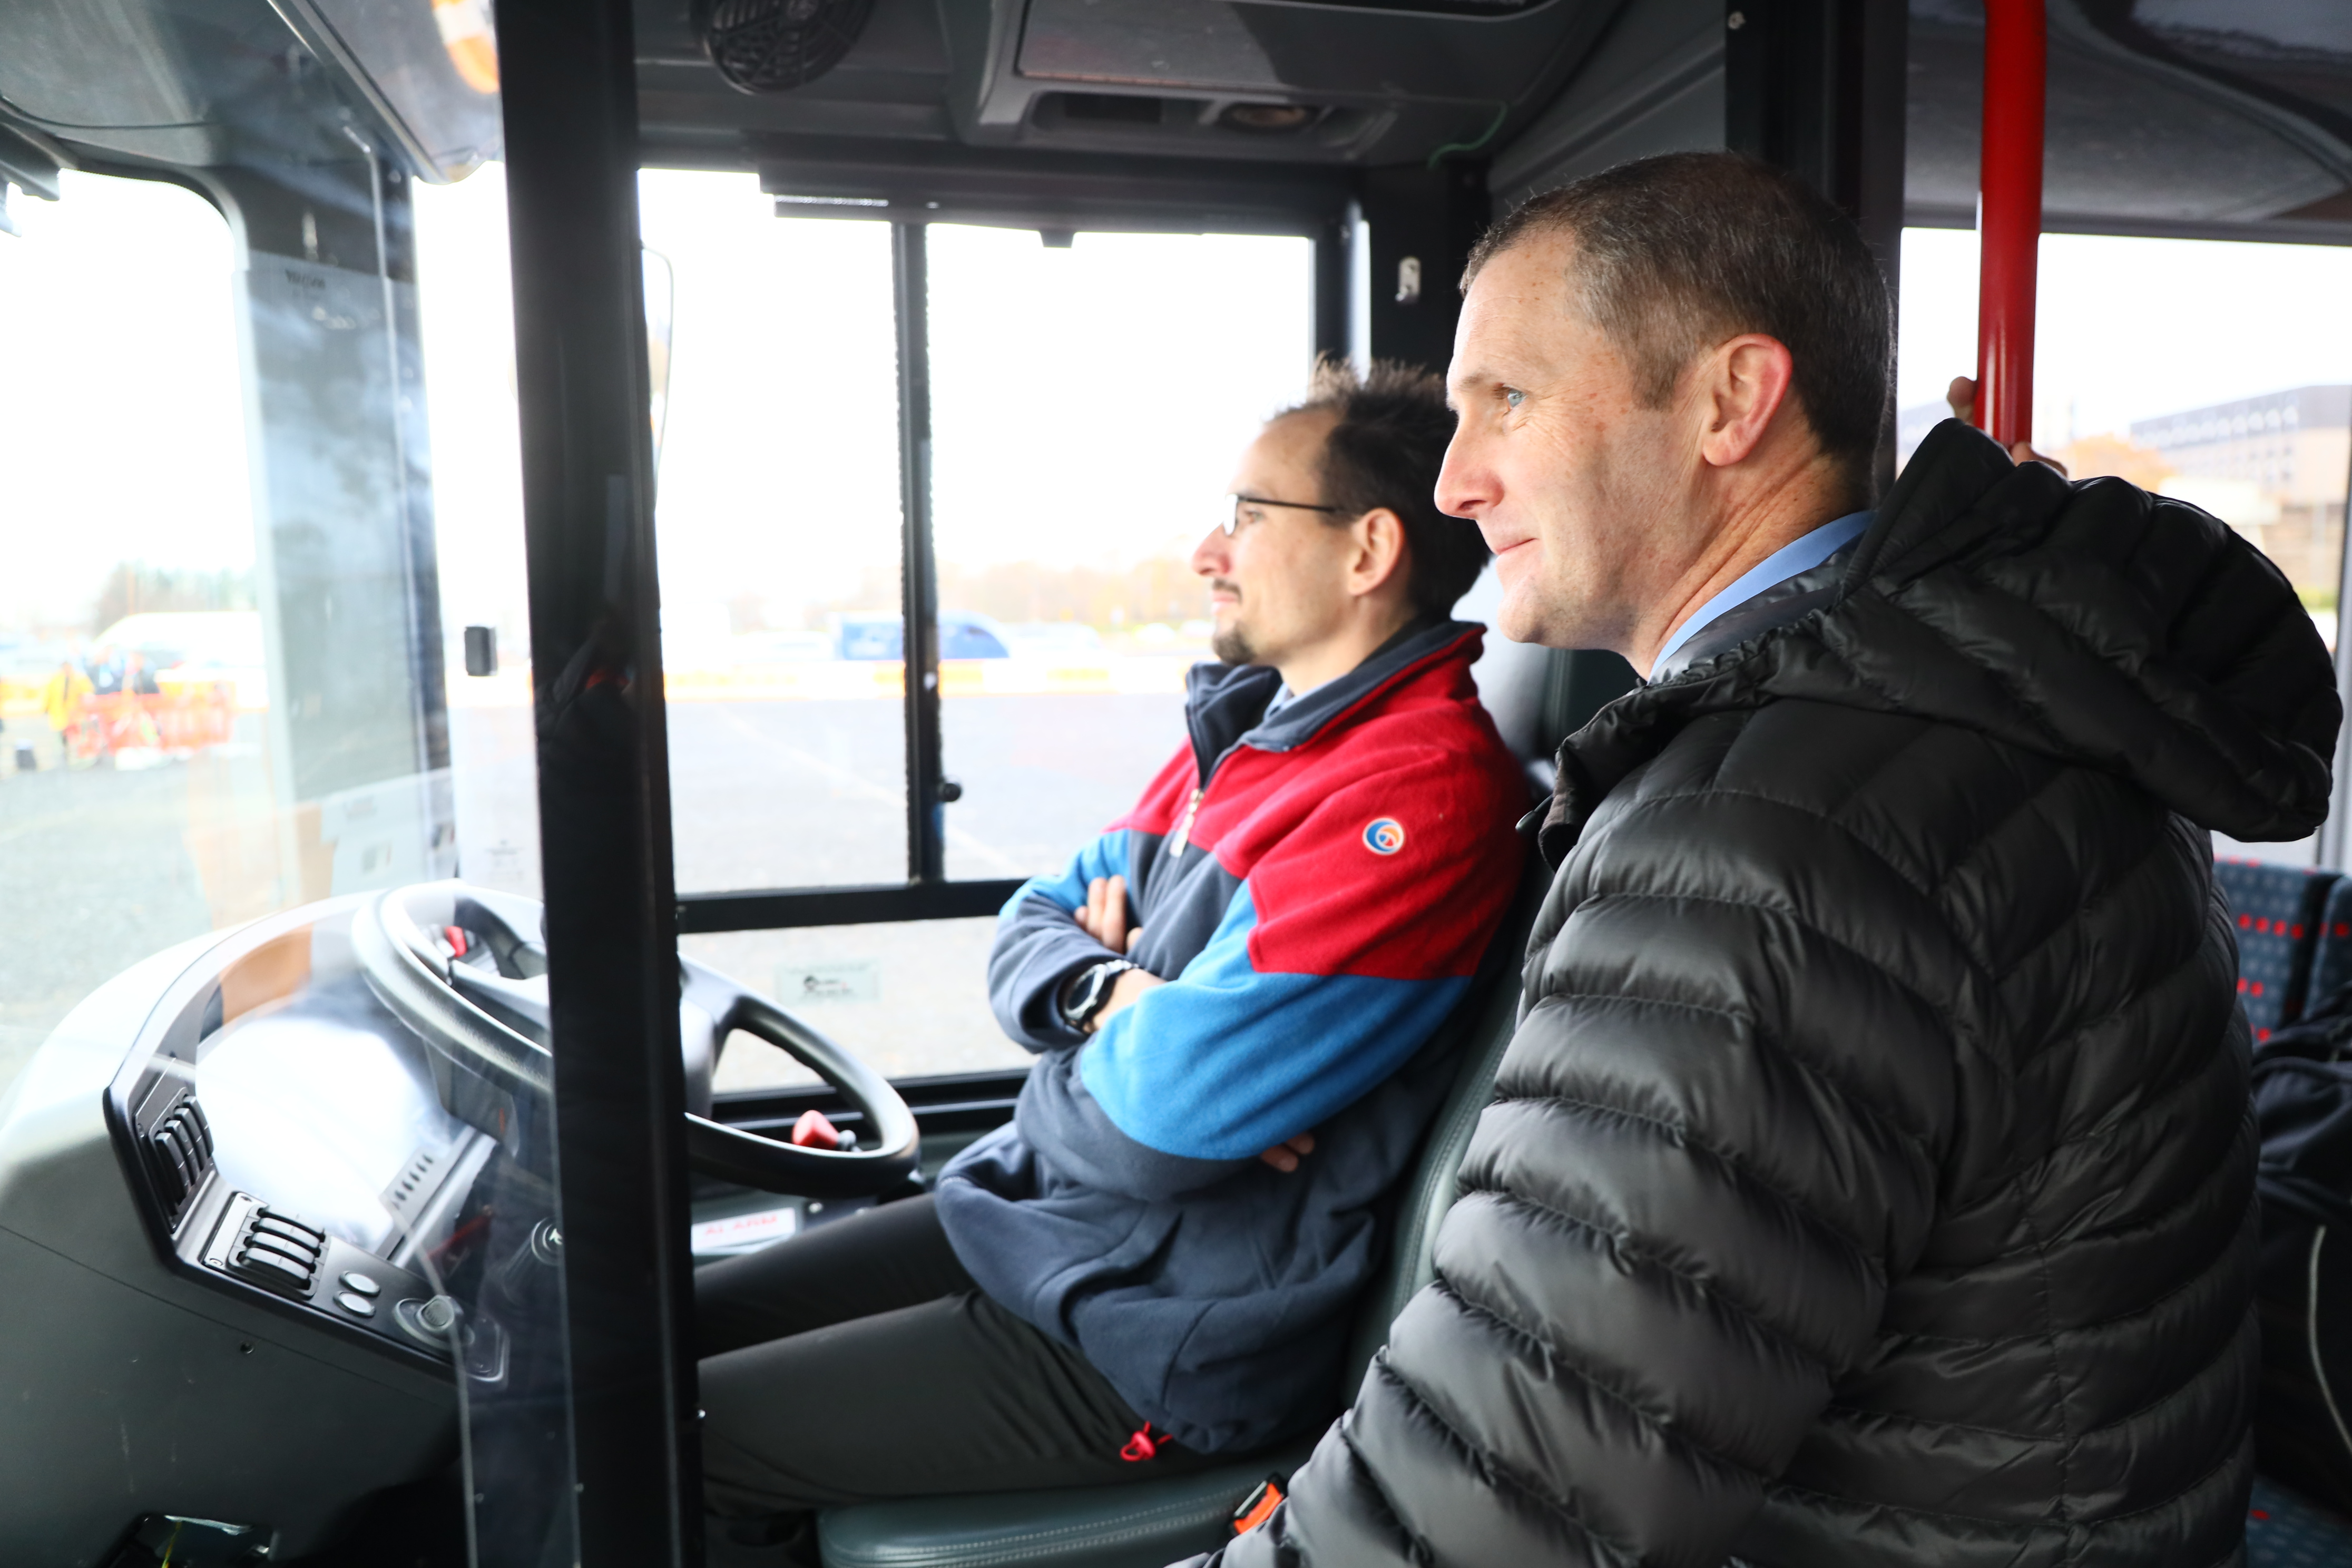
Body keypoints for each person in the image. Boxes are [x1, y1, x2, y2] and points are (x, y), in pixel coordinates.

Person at [1198, 151, 2339, 1566]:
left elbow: (1489, 1513)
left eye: (1508, 398)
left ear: (1731, 401)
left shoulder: (1765, 839)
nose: (1454, 480)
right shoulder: (1963, 721)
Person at [694, 360, 1531, 1556]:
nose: (1208, 550)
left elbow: (1164, 1122)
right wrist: (1117, 994)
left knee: (658, 1433)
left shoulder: (1418, 792)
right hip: (1039, 1216)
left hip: (1146, 1331)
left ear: (1368, 551)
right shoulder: (1250, 738)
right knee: (644, 1334)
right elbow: (1032, 926)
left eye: (1249, 515)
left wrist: (1139, 1042)